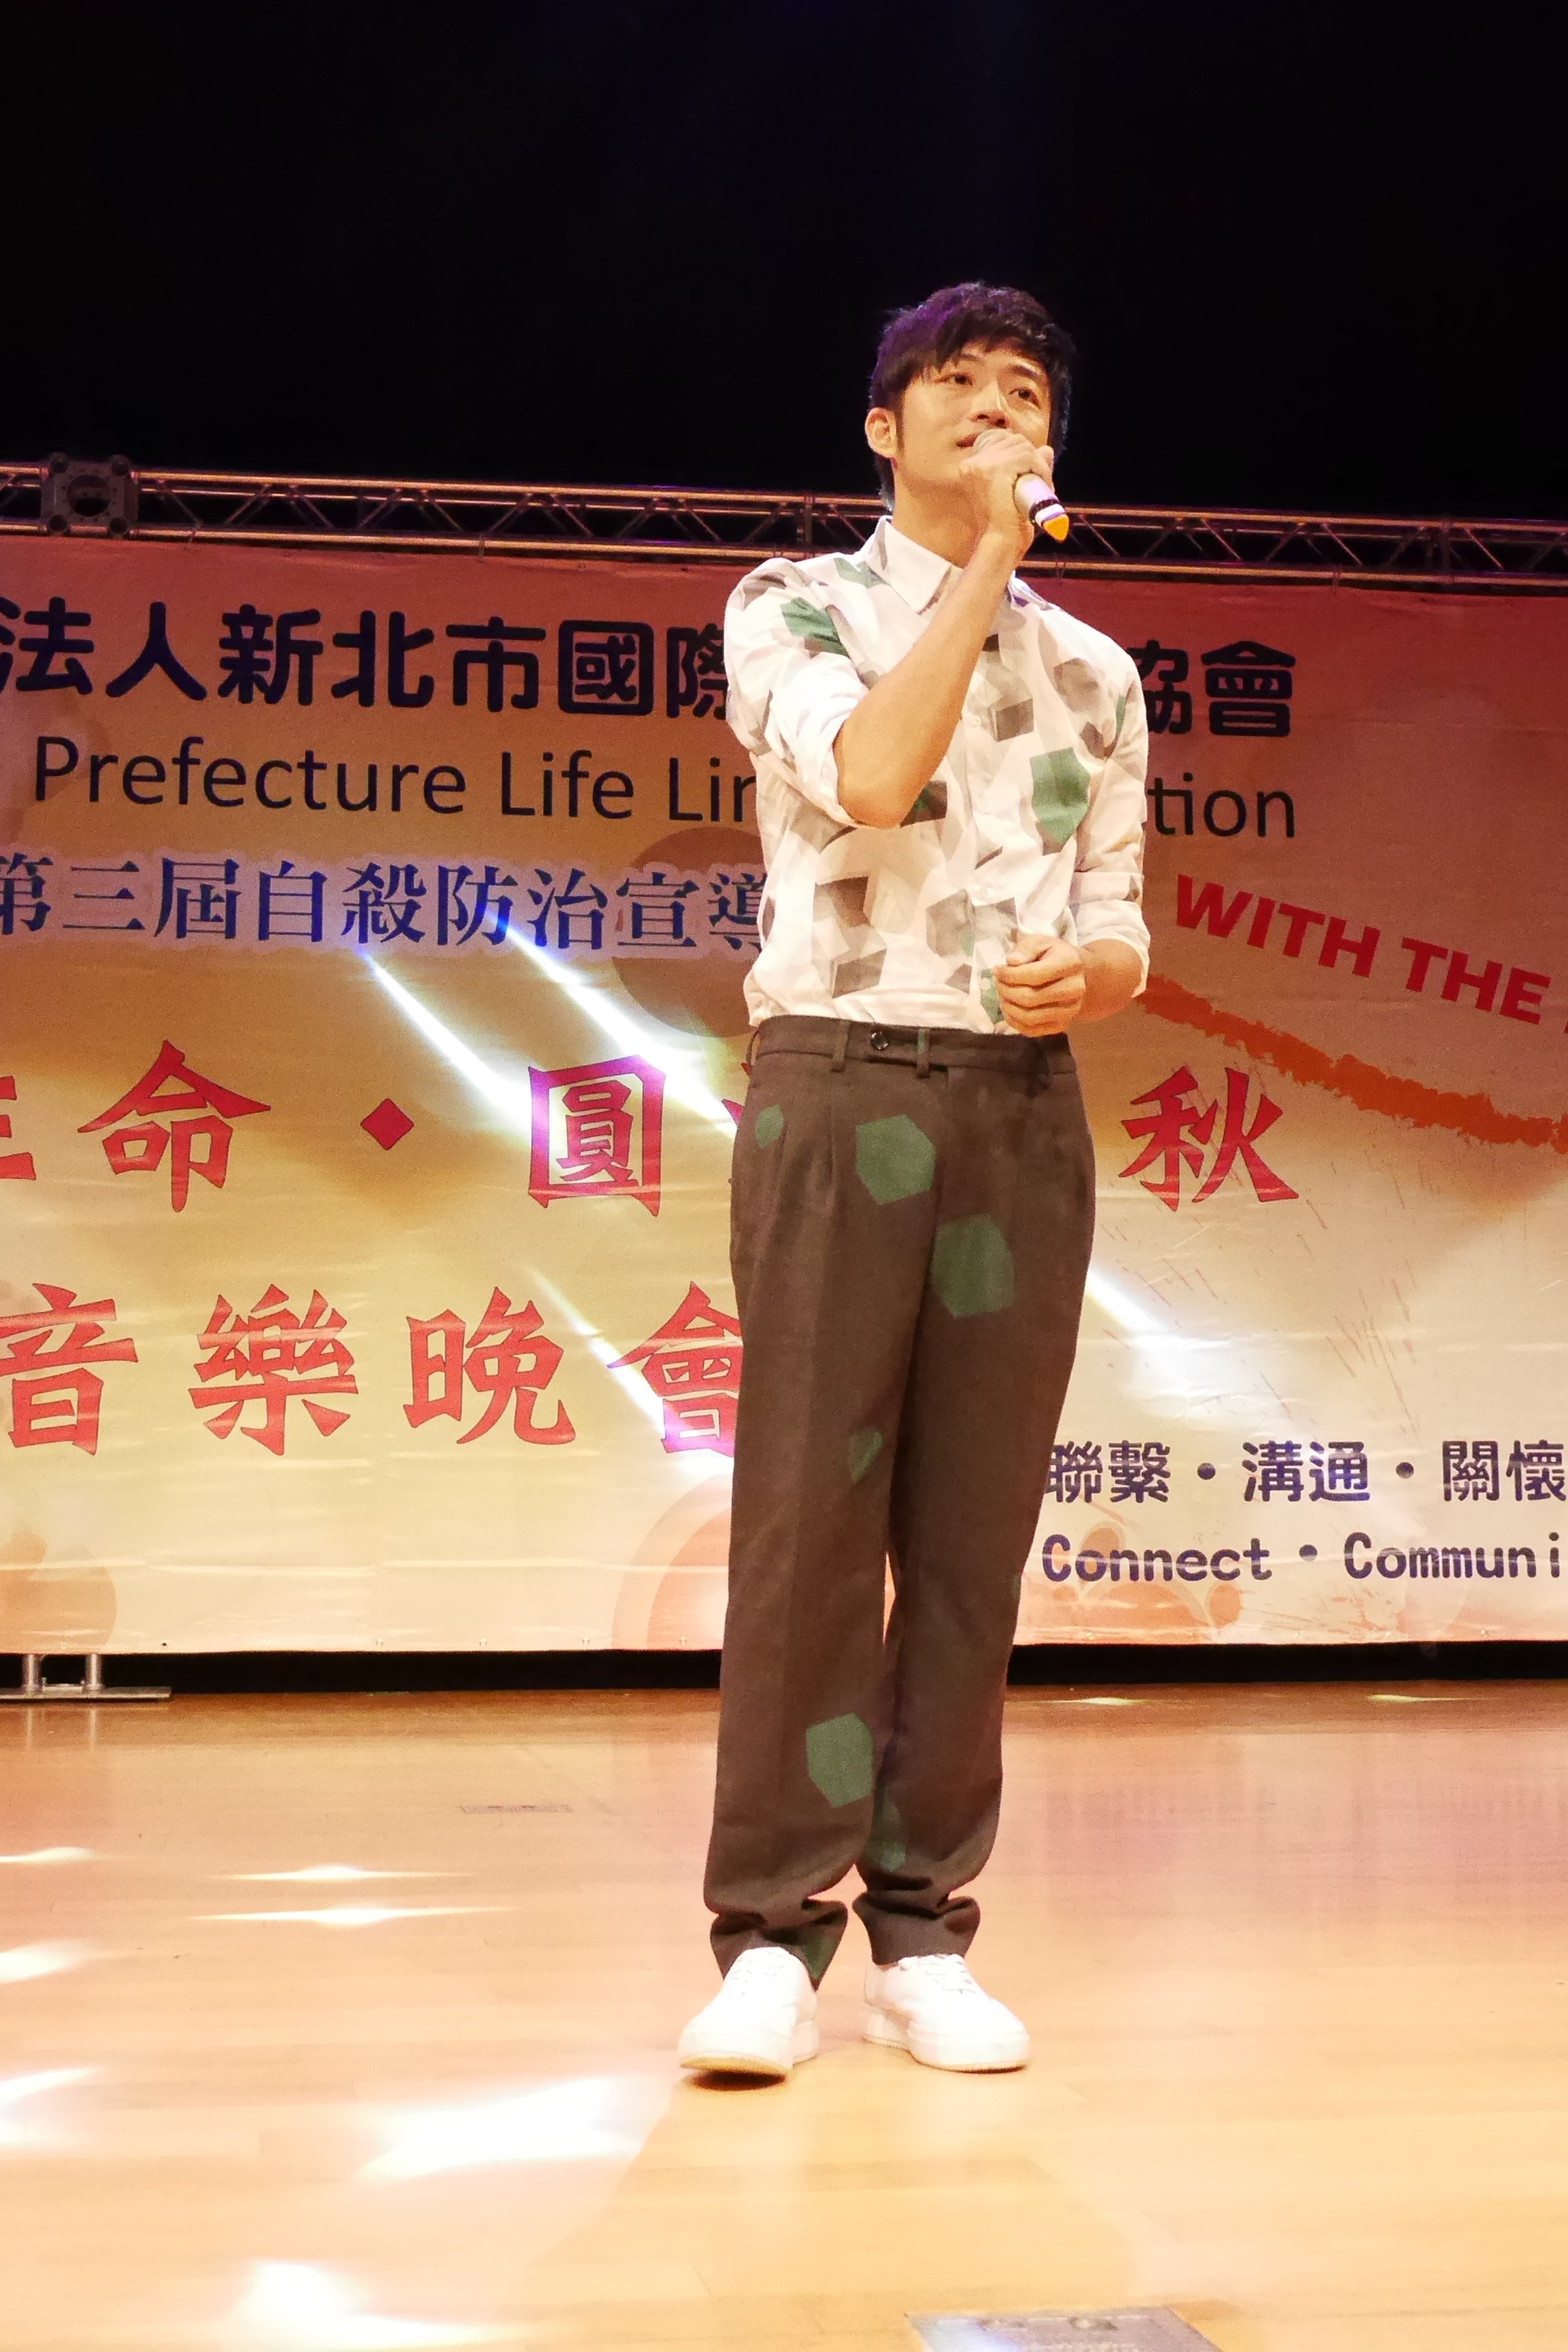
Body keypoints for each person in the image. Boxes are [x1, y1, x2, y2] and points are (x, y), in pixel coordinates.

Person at [676, 283, 1150, 2081]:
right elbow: (873, 774)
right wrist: (983, 567)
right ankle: (767, 1937)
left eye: (1024, 388)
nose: (996, 408)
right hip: (844, 1078)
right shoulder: (793, 604)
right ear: (884, 427)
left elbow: (1122, 921)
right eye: (958, 384)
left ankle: (925, 1928)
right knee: (811, 1522)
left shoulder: (1098, 673)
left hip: (1018, 1104)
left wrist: (1093, 975)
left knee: (970, 1535)